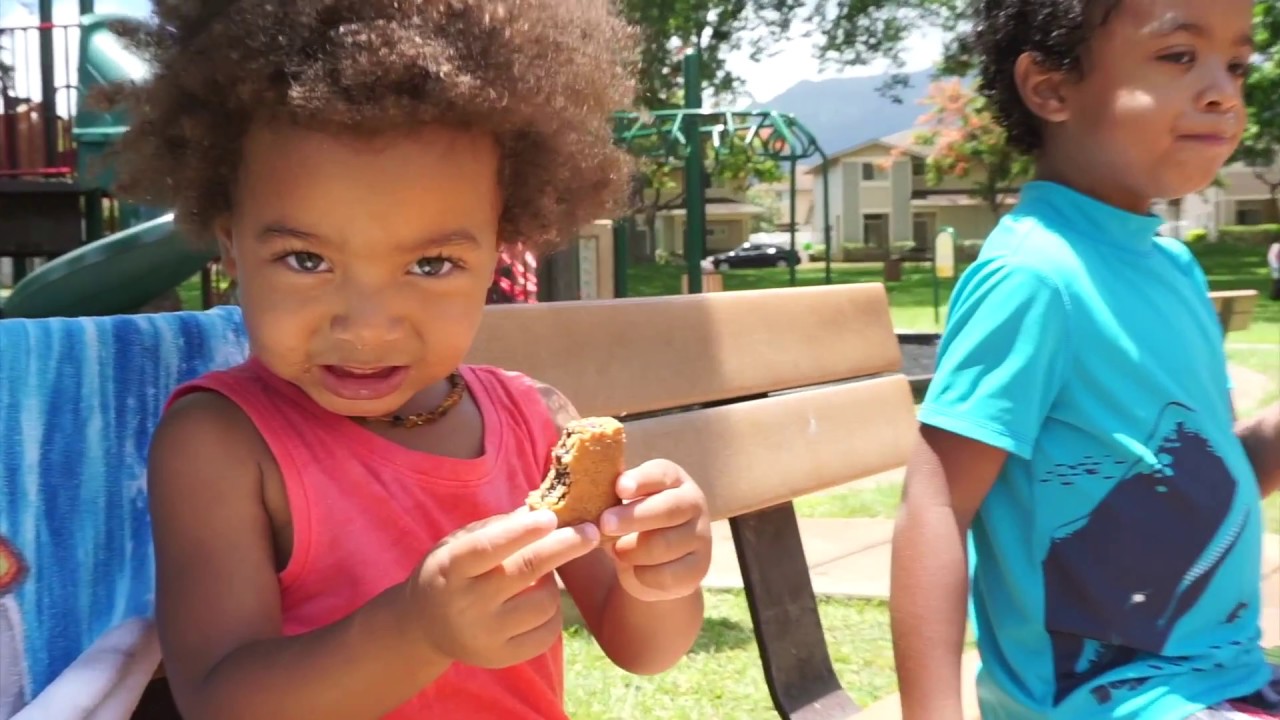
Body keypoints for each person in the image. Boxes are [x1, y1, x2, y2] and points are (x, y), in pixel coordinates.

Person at [105, 2, 713, 718]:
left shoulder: (536, 421)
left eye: (430, 264)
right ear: (232, 247)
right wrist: (416, 631)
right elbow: (220, 702)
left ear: (499, 249)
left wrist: (662, 575)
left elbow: (643, 648)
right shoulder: (221, 445)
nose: (367, 326)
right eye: (306, 259)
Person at [889, 0, 1280, 718]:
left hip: (1226, 675)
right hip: (1104, 698)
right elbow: (936, 506)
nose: (1223, 92)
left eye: (1236, 64)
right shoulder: (1035, 276)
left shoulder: (1174, 268)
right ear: (1051, 88)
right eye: (1179, 56)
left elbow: (1207, 478)